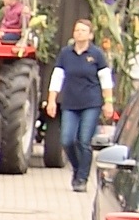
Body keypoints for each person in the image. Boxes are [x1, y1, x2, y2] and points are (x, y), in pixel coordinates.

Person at [47, 18, 116, 193]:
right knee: (67, 139)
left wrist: (108, 102)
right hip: (70, 102)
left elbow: (105, 79)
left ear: (90, 35)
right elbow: (57, 77)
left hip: (90, 102)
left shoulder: (96, 55)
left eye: (83, 30)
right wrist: (52, 99)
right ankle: (77, 168)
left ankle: (82, 178)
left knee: (84, 140)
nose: (79, 33)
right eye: (77, 30)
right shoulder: (66, 54)